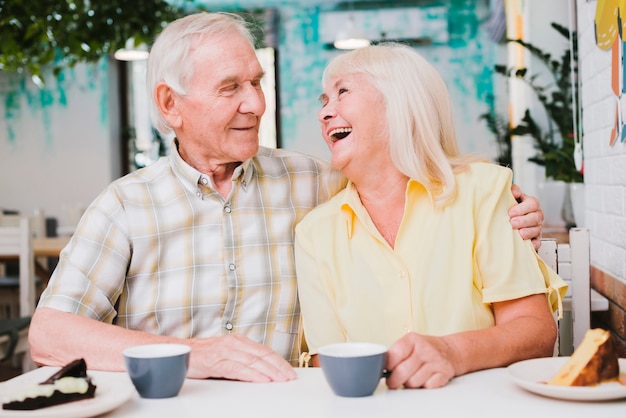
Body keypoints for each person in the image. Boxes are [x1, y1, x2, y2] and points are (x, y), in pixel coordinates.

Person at [29, 13, 544, 383]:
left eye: (256, 81)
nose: (255, 103)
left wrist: (506, 200)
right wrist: (196, 355)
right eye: (231, 87)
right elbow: (49, 334)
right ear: (171, 104)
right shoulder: (126, 206)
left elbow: (401, 170)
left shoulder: (314, 182)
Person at [294, 43, 567, 389]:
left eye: (342, 92)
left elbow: (535, 331)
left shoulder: (483, 191)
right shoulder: (315, 233)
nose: (324, 113)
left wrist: (452, 352)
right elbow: (326, 363)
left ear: (400, 103)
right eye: (323, 102)